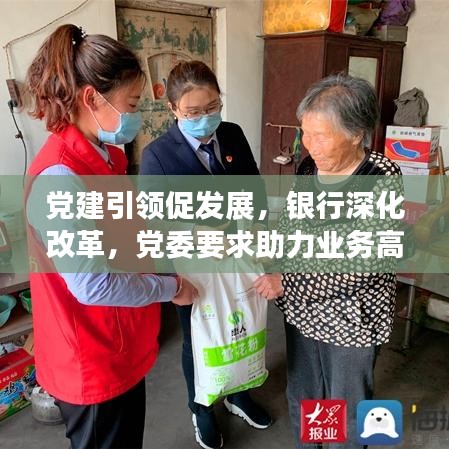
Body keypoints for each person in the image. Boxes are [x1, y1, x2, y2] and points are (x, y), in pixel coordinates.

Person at [24, 24, 197, 449]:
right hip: (91, 356)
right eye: (132, 103)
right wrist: (171, 287)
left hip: (120, 343)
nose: (137, 115)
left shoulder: (104, 157)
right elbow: (93, 284)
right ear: (91, 98)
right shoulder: (62, 177)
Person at [255, 74, 403, 449]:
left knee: (347, 406)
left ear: (356, 134)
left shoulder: (381, 177)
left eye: (321, 136)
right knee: (305, 395)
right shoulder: (310, 168)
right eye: (306, 133)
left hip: (353, 315)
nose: (310, 145)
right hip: (304, 310)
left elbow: (360, 265)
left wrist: (287, 280)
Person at [140, 60, 276, 449]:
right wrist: (195, 237)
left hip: (240, 253)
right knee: (199, 335)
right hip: (194, 264)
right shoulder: (157, 155)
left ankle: (239, 393)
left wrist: (259, 227)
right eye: (193, 112)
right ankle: (201, 407)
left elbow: (254, 187)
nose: (205, 118)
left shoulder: (231, 134)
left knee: (243, 322)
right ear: (173, 109)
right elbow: (153, 222)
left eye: (212, 107)